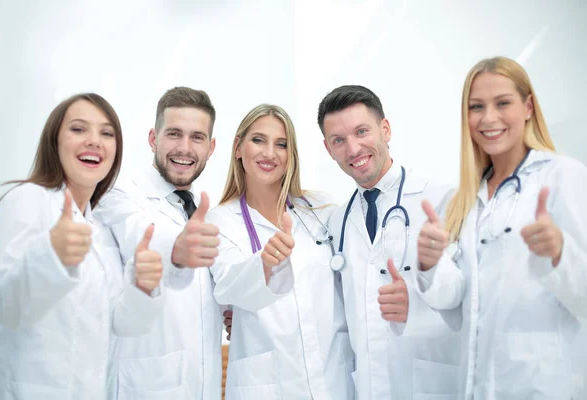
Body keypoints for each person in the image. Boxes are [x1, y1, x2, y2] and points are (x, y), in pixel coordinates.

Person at [415, 56, 587, 399]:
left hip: (543, 384)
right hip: (478, 384)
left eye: (502, 103)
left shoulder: (562, 176)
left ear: (528, 107)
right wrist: (431, 264)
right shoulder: (465, 198)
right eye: (476, 106)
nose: (488, 118)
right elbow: (459, 304)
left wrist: (559, 253)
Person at [0, 93, 164, 400]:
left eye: (106, 133)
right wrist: (50, 257)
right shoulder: (26, 201)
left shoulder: (99, 229)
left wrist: (143, 287)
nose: (94, 141)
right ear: (54, 141)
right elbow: (6, 308)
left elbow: (122, 325)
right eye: (79, 129)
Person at [318, 85, 460, 399]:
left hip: (431, 385)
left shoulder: (441, 198)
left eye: (361, 131)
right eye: (339, 140)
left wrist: (419, 296)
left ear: (385, 129)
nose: (353, 149)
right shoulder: (339, 221)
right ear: (328, 148)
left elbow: (470, 296)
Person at [206, 103, 354, 399]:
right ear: (238, 148)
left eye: (281, 144)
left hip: (333, 379)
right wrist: (265, 262)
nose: (270, 153)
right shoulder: (219, 221)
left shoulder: (320, 211)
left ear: (291, 156)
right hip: (268, 386)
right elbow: (227, 286)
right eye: (258, 140)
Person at [95, 87, 224, 399]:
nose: (184, 148)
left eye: (197, 137)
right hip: (144, 386)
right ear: (154, 139)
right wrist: (177, 250)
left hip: (203, 384)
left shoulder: (206, 209)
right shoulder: (119, 194)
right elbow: (139, 234)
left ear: (211, 147)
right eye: (174, 134)